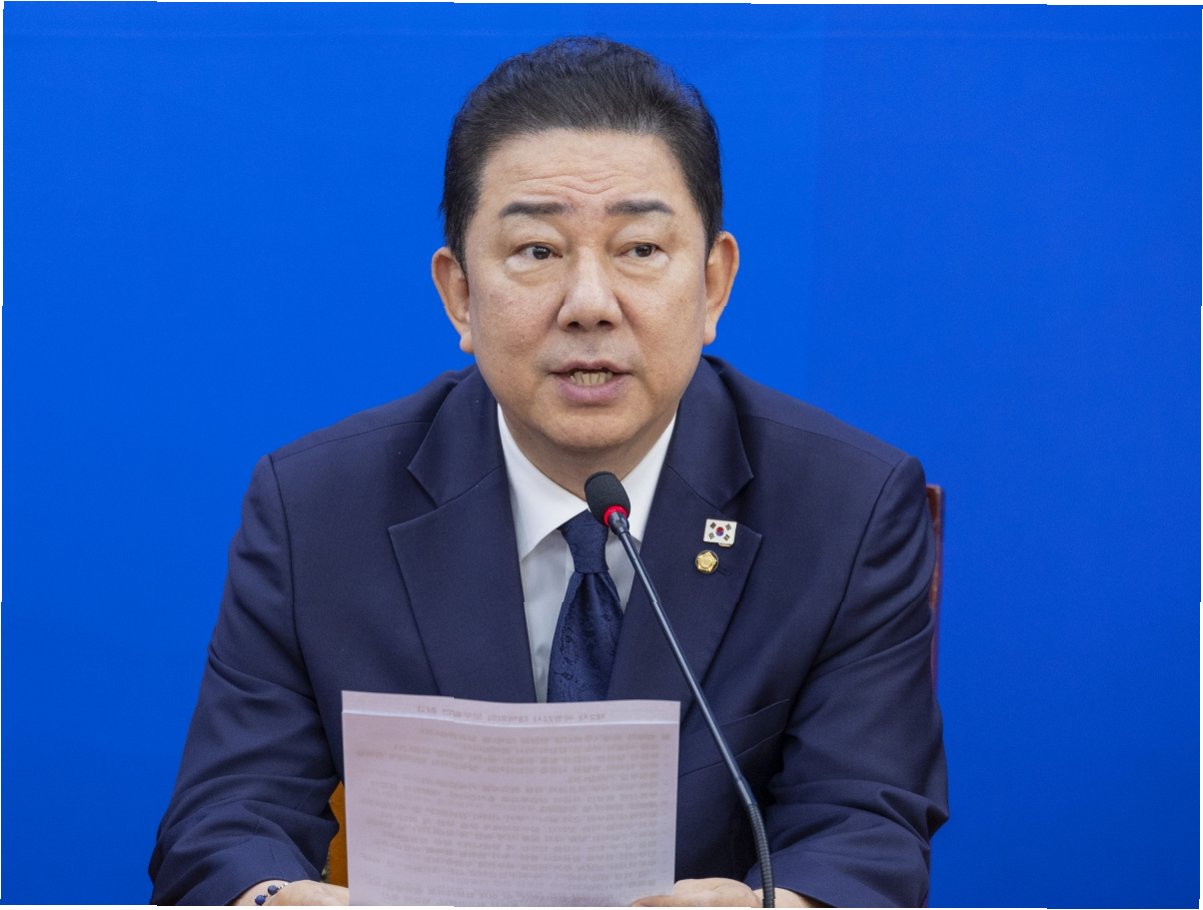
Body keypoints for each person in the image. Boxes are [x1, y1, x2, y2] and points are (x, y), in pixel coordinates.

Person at [150, 36, 947, 908]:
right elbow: (225, 820)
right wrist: (268, 899)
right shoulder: (316, 509)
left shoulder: (845, 509)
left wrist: (781, 906)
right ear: (459, 294)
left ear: (713, 283)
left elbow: (864, 823)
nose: (589, 305)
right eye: (536, 250)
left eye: (639, 249)